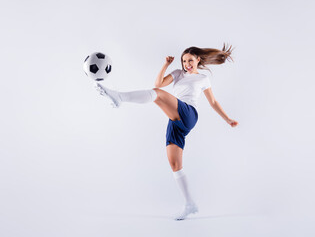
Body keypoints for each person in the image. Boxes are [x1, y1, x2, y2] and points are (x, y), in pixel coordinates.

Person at [94, 44, 239, 220]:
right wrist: (166, 65)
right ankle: (190, 204)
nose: (187, 64)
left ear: (198, 60)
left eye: (190, 60)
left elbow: (213, 102)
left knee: (158, 95)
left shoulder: (203, 79)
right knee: (175, 165)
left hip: (188, 113)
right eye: (184, 61)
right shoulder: (178, 73)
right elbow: (159, 83)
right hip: (175, 120)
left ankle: (119, 97)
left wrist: (227, 118)